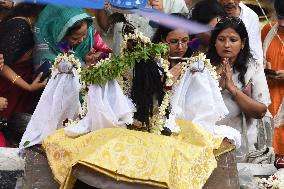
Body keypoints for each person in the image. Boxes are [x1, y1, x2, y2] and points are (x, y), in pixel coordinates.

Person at [39, 18, 241, 188]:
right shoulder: (136, 67)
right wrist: (165, 79)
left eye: (185, 41)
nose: (180, 47)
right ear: (162, 41)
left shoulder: (195, 67)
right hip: (134, 128)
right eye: (174, 41)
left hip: (168, 128)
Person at [20, 5, 111, 149]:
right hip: (57, 111)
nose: (82, 40)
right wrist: (82, 67)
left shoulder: (88, 35)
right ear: (60, 33)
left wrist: (89, 61)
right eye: (76, 37)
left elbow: (107, 54)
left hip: (85, 108)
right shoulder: (46, 50)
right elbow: (56, 85)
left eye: (84, 35)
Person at [207, 17, 271, 162]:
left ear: (242, 43)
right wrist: (217, 88)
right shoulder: (202, 67)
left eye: (233, 40)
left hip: (243, 144)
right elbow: (193, 109)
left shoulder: (253, 68)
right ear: (214, 43)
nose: (227, 45)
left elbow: (261, 111)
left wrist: (232, 89)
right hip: (208, 141)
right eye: (221, 39)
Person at [0, 3, 46, 119]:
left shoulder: (33, 26)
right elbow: (3, 66)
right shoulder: (20, 26)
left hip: (19, 88)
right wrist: (27, 86)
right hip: (10, 89)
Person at [95, 0, 189, 55]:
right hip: (121, 62)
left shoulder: (174, 2)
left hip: (154, 66)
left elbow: (183, 35)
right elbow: (106, 27)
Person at [261, 0, 284, 168]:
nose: (282, 23)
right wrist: (262, 68)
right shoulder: (268, 30)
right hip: (268, 102)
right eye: (280, 17)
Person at [217, 0, 263, 65]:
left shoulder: (251, 17)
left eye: (233, 40)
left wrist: (257, 72)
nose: (230, 1)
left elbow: (255, 53)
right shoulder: (208, 12)